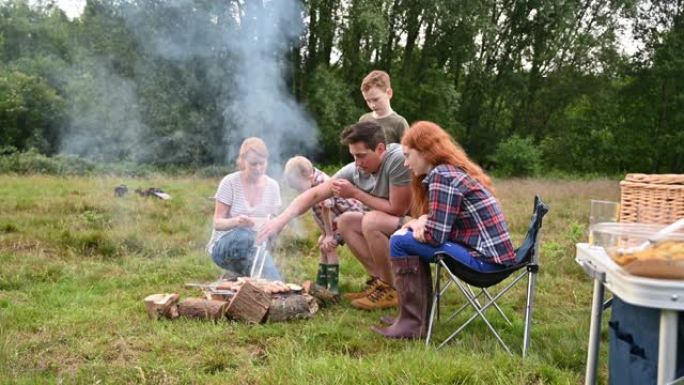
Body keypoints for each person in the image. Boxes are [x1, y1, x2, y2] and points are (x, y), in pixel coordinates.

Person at [372, 121, 516, 339]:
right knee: (406, 238)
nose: (405, 164)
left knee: (400, 241)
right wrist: (421, 221)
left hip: (485, 263)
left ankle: (412, 324)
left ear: (424, 152)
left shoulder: (442, 177)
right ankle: (411, 317)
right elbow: (442, 223)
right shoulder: (449, 172)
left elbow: (434, 235)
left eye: (408, 155)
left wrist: (418, 224)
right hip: (493, 257)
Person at [258, 121, 412, 310]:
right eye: (354, 156)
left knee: (371, 221)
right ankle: (379, 282)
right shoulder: (355, 170)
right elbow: (314, 194)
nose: (357, 162)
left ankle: (391, 288)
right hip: (392, 223)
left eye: (361, 156)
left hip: (418, 223)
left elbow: (398, 209)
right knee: (345, 221)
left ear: (380, 148)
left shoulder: (396, 159)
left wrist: (355, 193)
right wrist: (279, 222)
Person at [283, 156, 364, 295]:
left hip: (352, 218)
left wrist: (330, 235)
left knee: (329, 247)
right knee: (322, 243)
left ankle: (332, 289)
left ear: (307, 176)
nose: (298, 192)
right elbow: (318, 215)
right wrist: (325, 234)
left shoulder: (322, 183)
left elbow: (326, 210)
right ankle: (321, 284)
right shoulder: (312, 181)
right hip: (337, 220)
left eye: (298, 187)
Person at [207, 137, 283, 281]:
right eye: (253, 164)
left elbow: (275, 225)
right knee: (244, 234)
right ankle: (275, 282)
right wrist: (236, 221)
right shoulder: (229, 182)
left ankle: (257, 284)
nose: (258, 168)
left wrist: (270, 232)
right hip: (223, 247)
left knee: (258, 271)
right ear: (242, 161)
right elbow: (217, 223)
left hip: (255, 250)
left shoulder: (273, 186)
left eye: (262, 163)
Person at [358, 70, 409, 144]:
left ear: (389, 93)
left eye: (376, 99)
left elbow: (408, 153)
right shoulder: (363, 120)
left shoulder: (399, 123)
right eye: (368, 101)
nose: (372, 105)